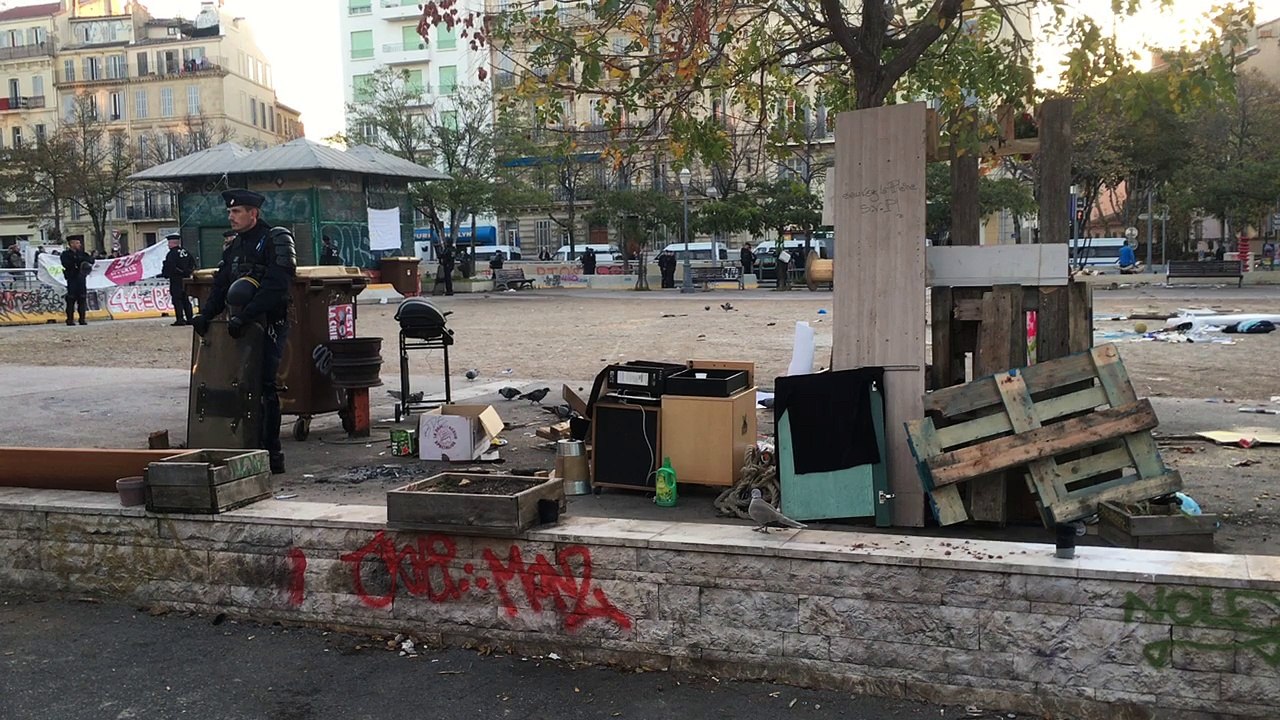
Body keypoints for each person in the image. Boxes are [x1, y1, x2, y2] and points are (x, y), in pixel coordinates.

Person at [189, 189, 297, 475]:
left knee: (264, 385)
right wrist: (206, 314)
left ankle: (271, 452)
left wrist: (248, 316)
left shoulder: (275, 239)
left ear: (253, 213)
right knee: (237, 383)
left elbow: (277, 284)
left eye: (236, 212)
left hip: (269, 322)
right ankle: (242, 444)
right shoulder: (235, 246)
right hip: (240, 325)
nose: (231, 216)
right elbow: (222, 284)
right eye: (229, 212)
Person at [161, 232, 195, 326]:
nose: (168, 245)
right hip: (186, 279)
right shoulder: (185, 252)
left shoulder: (171, 254)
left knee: (177, 299)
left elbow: (170, 267)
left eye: (169, 243)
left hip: (176, 279)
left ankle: (180, 319)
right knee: (185, 299)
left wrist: (166, 274)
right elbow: (192, 264)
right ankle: (190, 318)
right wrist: (187, 272)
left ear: (172, 243)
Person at [60, 236, 93, 326]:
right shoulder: (66, 254)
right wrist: (77, 262)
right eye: (77, 243)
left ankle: (82, 319)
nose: (79, 245)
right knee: (71, 299)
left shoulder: (82, 254)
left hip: (81, 279)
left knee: (82, 299)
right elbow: (66, 264)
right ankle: (70, 319)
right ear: (72, 243)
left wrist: (81, 262)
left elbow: (91, 260)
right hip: (72, 279)